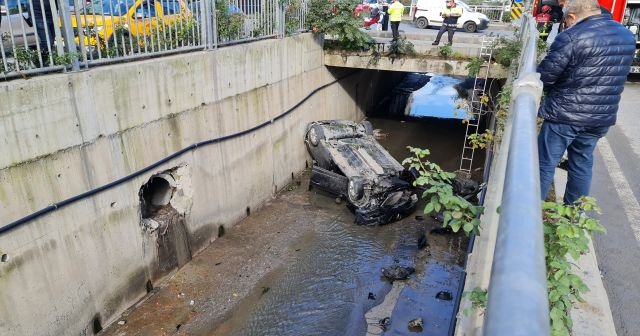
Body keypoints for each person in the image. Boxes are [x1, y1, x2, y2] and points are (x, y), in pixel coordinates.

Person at [537, 0, 635, 204]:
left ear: (571, 17)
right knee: (581, 164)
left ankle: (529, 213)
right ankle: (573, 216)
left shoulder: (572, 36)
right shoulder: (626, 35)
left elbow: (545, 76)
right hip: (600, 118)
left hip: (564, 115)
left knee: (543, 164)